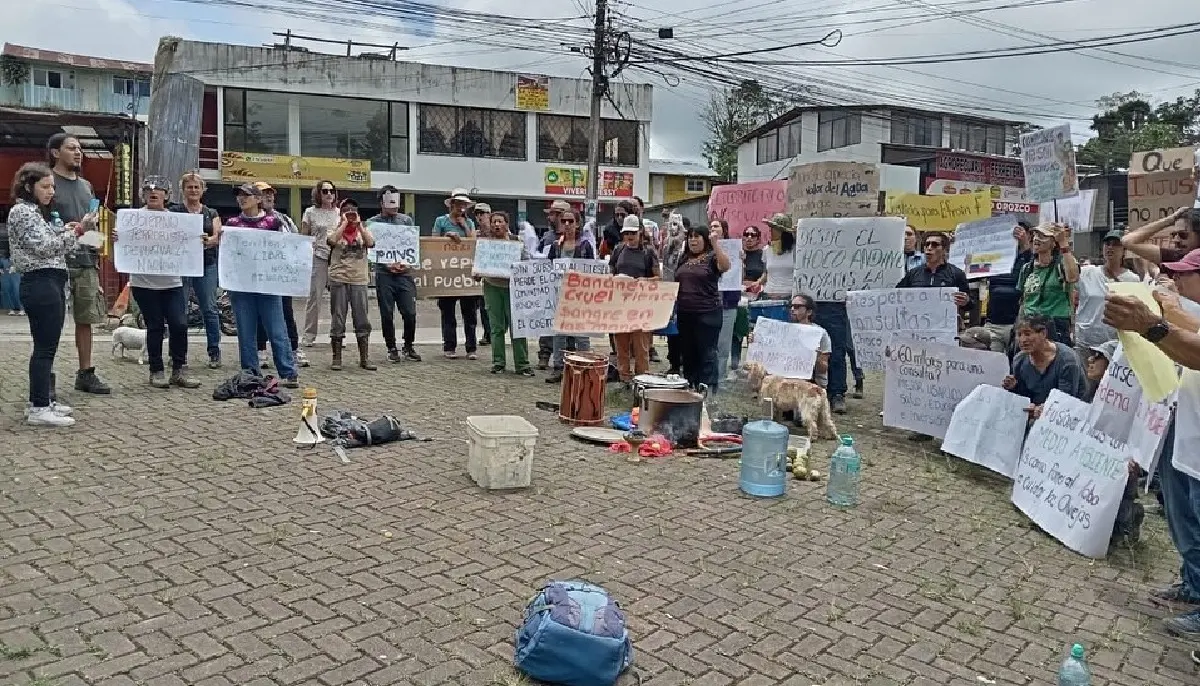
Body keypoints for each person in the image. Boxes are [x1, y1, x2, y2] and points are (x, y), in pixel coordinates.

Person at [1104, 248, 1200, 637]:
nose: (1175, 280)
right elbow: (1190, 327)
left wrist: (1153, 325)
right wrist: (1162, 307)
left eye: (1185, 274)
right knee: (1185, 518)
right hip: (1189, 438)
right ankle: (1194, 587)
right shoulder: (1190, 308)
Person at [8, 162, 87, 426]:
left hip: (49, 282)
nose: (51, 191)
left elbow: (51, 241)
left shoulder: (34, 212)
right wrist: (77, 231)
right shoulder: (23, 212)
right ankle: (39, 407)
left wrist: (67, 230)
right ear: (29, 186)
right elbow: (44, 248)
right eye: (45, 186)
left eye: (52, 186)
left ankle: (41, 400)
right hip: (40, 282)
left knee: (47, 348)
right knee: (44, 348)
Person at [118, 177, 200, 390]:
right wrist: (119, 239)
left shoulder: (177, 220)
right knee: (154, 326)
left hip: (171, 283)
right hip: (144, 284)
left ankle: (179, 369)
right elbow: (120, 249)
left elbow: (189, 243)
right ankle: (156, 370)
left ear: (167, 195)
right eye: (148, 190)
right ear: (143, 195)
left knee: (180, 324)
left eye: (159, 190)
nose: (153, 193)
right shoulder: (132, 220)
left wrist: (197, 240)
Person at [48, 133, 110, 395]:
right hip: (55, 261)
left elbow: (91, 228)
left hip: (85, 262)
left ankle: (86, 373)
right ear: (54, 152)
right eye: (71, 148)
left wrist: (104, 238)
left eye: (80, 148)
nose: (78, 152)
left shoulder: (86, 186)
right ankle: (45, 376)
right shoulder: (46, 182)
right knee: (51, 321)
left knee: (86, 319)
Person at [223, 183, 299, 388]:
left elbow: (288, 247)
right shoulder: (232, 223)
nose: (242, 198)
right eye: (239, 195)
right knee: (246, 330)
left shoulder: (274, 222)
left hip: (268, 283)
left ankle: (288, 371)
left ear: (258, 199)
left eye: (246, 195)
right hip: (241, 285)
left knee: (276, 328)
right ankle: (250, 371)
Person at [171, 171, 222, 368]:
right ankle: (178, 354)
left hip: (206, 265)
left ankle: (214, 351)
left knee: (209, 308)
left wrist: (209, 241)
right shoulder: (174, 211)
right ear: (183, 190)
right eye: (189, 187)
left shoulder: (211, 213)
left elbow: (217, 236)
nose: (193, 190)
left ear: (203, 190)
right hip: (182, 266)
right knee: (179, 310)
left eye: (196, 187)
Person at [674, 221, 731, 391]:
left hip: (708, 313)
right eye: (690, 237)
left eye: (697, 236)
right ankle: (690, 385)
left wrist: (715, 244)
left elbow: (725, 266)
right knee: (688, 352)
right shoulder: (684, 258)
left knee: (707, 352)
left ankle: (706, 388)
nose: (693, 240)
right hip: (685, 313)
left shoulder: (712, 257)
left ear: (705, 239)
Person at [367, 185, 421, 363]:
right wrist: (386, 264)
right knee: (387, 313)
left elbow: (411, 245)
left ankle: (408, 345)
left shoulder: (406, 221)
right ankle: (391, 347)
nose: (394, 206)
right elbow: (373, 250)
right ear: (381, 202)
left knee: (410, 313)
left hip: (404, 274)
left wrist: (404, 264)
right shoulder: (373, 223)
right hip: (384, 274)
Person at [255, 181, 305, 369]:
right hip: (259, 274)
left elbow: (297, 241)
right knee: (260, 314)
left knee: (286, 312)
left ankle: (293, 349)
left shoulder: (284, 219)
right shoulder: (248, 219)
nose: (268, 197)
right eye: (263, 193)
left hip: (280, 274)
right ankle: (260, 351)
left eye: (270, 194)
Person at [1001, 314, 1088, 418]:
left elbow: (1067, 400)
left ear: (1043, 333)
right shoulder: (1019, 360)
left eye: (1028, 334)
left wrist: (1043, 410)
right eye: (1019, 335)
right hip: (1034, 414)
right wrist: (1014, 387)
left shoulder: (1067, 361)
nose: (1023, 340)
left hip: (1069, 416)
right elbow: (1024, 397)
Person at [546, 209, 597, 384]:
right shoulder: (555, 246)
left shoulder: (585, 246)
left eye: (570, 221)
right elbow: (548, 269)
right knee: (559, 333)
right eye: (564, 221)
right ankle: (558, 368)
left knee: (581, 334)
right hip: (560, 295)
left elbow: (592, 270)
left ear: (577, 224)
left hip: (579, 296)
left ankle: (583, 368)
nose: (567, 224)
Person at [1074, 229, 1140, 363]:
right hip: (1084, 343)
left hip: (1113, 345)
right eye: (1107, 244)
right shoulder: (1087, 272)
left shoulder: (1132, 279)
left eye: (1115, 244)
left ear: (1124, 250)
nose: (1110, 247)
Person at [480, 211, 533, 376]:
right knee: (496, 327)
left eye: (500, 221)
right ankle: (498, 363)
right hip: (492, 286)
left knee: (517, 327)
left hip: (513, 288)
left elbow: (526, 263)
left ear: (506, 224)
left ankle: (522, 364)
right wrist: (477, 272)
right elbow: (478, 264)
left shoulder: (517, 242)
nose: (497, 225)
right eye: (494, 221)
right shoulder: (485, 243)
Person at [610, 215, 661, 384]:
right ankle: (624, 380)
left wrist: (644, 281)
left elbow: (658, 278)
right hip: (620, 304)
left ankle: (642, 381)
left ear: (640, 232)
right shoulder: (618, 250)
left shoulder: (649, 252)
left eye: (632, 232)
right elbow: (610, 274)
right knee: (621, 347)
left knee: (641, 347)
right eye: (626, 233)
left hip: (641, 306)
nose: (629, 236)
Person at [327, 198, 376, 371]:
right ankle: (337, 357)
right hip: (339, 278)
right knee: (338, 318)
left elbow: (370, 243)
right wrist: (343, 225)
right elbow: (331, 241)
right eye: (346, 210)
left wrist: (359, 226)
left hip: (359, 279)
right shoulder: (335, 228)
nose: (350, 212)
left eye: (353, 209)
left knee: (362, 318)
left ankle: (364, 358)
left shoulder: (364, 230)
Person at [432, 187, 479, 359]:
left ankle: (471, 348)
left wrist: (463, 227)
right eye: (458, 204)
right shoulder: (440, 221)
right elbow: (432, 243)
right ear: (451, 205)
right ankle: (449, 346)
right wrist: (448, 237)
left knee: (470, 314)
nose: (460, 208)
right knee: (448, 313)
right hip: (447, 274)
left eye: (464, 205)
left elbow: (473, 243)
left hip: (465, 274)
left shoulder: (470, 223)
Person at [1016, 222, 1079, 345]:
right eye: (1035, 235)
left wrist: (1064, 244)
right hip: (1029, 325)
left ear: (1053, 243)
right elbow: (1023, 300)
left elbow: (1072, 277)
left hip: (1055, 326)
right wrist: (1018, 327)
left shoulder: (1062, 265)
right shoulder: (1027, 268)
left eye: (1042, 236)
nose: (1036, 239)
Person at [300, 179, 341, 347]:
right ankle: (309, 335)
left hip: (338, 257)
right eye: (325, 191)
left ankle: (338, 334)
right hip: (318, 256)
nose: (329, 194)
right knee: (314, 298)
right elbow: (304, 236)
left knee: (339, 298)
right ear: (318, 194)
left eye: (331, 191)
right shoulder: (310, 212)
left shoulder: (340, 213)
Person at [983, 222, 1034, 356]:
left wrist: (1025, 245)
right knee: (992, 364)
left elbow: (1033, 270)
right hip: (994, 324)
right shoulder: (995, 258)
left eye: (1019, 232)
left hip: (1019, 324)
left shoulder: (1031, 259)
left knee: (1018, 364)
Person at [712, 219, 740, 381]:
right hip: (710, 302)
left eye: (716, 226)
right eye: (711, 226)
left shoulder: (734, 249)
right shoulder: (706, 249)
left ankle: (720, 377)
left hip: (729, 302)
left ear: (724, 230)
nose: (713, 228)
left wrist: (740, 258)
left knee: (724, 343)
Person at [472, 202, 493, 346]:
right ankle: (487, 333)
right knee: (481, 307)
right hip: (479, 273)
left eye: (483, 213)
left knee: (489, 307)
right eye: (477, 214)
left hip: (494, 273)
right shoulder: (474, 232)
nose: (480, 217)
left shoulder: (497, 230)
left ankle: (492, 332)